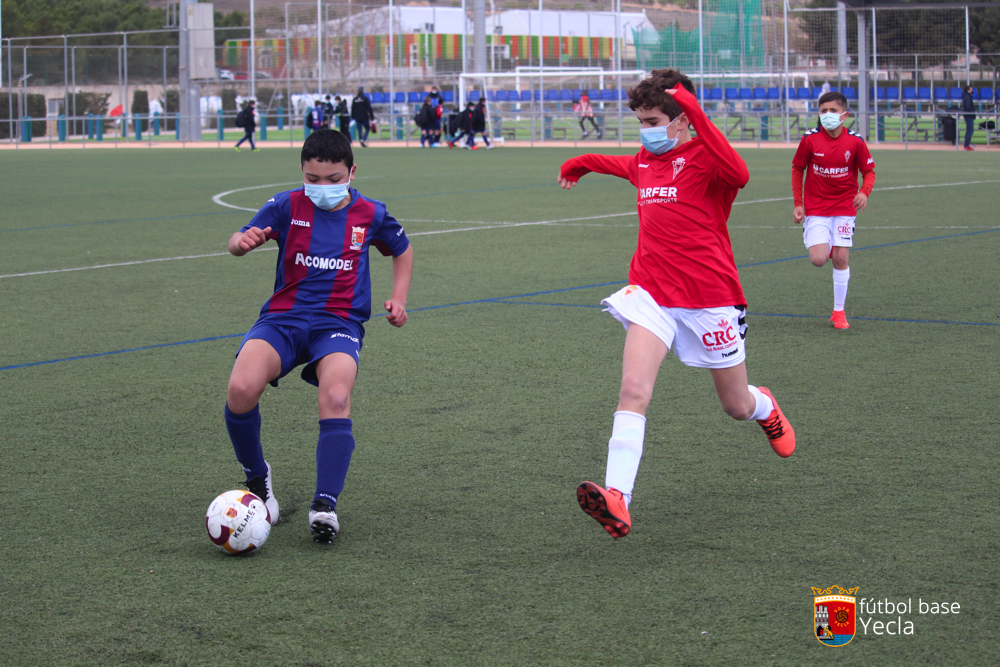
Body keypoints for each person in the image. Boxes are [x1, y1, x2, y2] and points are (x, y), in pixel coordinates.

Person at [557, 69, 796, 539]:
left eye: (653, 121)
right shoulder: (645, 161)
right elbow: (613, 163)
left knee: (735, 404)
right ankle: (618, 497)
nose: (645, 131)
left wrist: (695, 109)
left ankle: (765, 407)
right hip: (651, 294)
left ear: (682, 119)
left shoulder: (710, 160)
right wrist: (577, 164)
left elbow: (741, 174)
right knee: (633, 389)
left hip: (710, 298)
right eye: (641, 122)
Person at [223, 129, 414, 543]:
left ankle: (324, 504)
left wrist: (399, 298)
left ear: (351, 173)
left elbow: (402, 249)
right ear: (302, 173)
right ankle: (257, 479)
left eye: (333, 179)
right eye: (312, 179)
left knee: (337, 396)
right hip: (283, 319)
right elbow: (235, 241)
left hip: (339, 324)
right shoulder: (286, 204)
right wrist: (243, 242)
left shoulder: (371, 213)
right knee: (240, 389)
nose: (322, 187)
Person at [791, 90, 876, 330]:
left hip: (845, 206)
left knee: (841, 257)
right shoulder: (810, 139)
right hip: (817, 206)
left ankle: (839, 312)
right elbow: (798, 169)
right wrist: (798, 203)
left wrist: (864, 192)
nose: (827, 114)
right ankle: (827, 244)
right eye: (823, 111)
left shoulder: (856, 142)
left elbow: (869, 171)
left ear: (844, 115)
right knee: (819, 259)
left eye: (833, 110)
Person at [962, 84, 976, 151]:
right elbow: (968, 106)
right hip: (969, 116)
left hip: (968, 115)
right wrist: (972, 111)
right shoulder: (968, 97)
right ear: (968, 90)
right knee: (970, 131)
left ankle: (967, 145)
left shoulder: (967, 96)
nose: (972, 90)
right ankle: (966, 145)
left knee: (969, 130)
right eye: (971, 89)